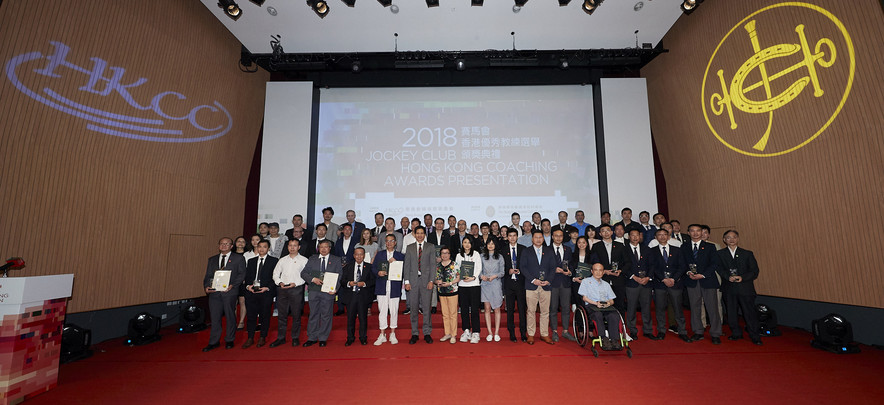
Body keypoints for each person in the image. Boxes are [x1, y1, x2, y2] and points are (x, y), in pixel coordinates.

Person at [716, 230, 762, 345]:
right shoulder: (720, 254)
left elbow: (754, 271)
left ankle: (754, 336)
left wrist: (742, 277)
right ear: (724, 240)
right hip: (729, 287)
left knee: (749, 313)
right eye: (728, 237)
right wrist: (727, 277)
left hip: (745, 288)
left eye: (734, 237)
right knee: (731, 312)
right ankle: (736, 333)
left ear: (738, 239)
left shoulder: (747, 253)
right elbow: (719, 269)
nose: (731, 239)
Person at [202, 237, 246, 352]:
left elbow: (241, 274)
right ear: (219, 245)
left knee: (230, 316)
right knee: (215, 318)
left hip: (229, 292)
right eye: (222, 244)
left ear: (232, 246)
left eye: (227, 244)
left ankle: (229, 339)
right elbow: (208, 276)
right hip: (214, 293)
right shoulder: (212, 259)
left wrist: (233, 285)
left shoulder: (238, 258)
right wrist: (206, 287)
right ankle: (214, 342)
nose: (224, 246)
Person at [682, 224, 722, 344]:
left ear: (702, 232)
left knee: (712, 307)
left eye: (698, 231)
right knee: (695, 307)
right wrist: (689, 272)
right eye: (692, 231)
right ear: (688, 232)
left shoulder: (710, 247)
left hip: (707, 280)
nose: (695, 233)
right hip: (691, 280)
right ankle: (698, 331)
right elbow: (682, 262)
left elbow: (715, 263)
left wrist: (703, 274)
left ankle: (715, 333)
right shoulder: (684, 247)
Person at [648, 229, 691, 342]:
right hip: (659, 284)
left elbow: (682, 266)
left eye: (664, 235)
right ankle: (661, 331)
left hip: (675, 283)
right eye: (659, 235)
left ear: (668, 236)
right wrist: (663, 279)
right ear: (655, 237)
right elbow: (652, 267)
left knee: (678, 308)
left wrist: (673, 278)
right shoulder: (651, 251)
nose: (662, 237)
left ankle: (682, 331)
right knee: (660, 308)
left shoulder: (677, 250)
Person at [300, 240, 341, 347]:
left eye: (326, 247)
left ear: (330, 248)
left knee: (326, 315)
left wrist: (335, 288)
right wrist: (313, 279)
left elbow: (339, 276)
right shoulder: (312, 259)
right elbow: (303, 273)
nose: (323, 249)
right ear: (318, 248)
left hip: (328, 291)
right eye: (321, 247)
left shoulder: (336, 260)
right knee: (313, 314)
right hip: (314, 290)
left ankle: (323, 337)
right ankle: (312, 337)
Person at [520, 230, 557, 345]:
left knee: (545, 311)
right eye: (536, 237)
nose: (538, 239)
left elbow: (553, 268)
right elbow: (523, 267)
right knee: (531, 311)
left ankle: (544, 334)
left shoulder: (549, 251)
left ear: (543, 239)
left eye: (540, 237)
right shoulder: (526, 251)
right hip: (531, 285)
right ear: (532, 239)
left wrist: (548, 280)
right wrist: (533, 280)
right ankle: (531, 334)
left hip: (546, 285)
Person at [270, 239, 308, 347]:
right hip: (282, 289)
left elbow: (306, 276)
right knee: (282, 315)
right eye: (290, 245)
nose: (292, 247)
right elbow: (275, 274)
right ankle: (281, 337)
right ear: (287, 247)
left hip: (296, 289)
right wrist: (279, 282)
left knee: (296, 315)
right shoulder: (282, 260)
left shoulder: (304, 260)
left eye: (295, 245)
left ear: (299, 247)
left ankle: (295, 337)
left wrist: (295, 283)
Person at [579, 263, 623, 351]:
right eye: (596, 270)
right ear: (592, 271)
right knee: (598, 314)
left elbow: (612, 300)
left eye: (600, 270)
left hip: (605, 305)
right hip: (592, 305)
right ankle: (603, 338)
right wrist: (596, 303)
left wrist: (608, 303)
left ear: (603, 272)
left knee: (614, 315)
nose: (598, 272)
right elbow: (584, 298)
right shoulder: (585, 282)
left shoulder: (606, 284)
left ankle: (614, 339)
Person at [242, 240, 278, 348]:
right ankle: (250, 337)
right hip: (252, 293)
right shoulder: (251, 261)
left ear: (268, 249)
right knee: (251, 316)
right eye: (260, 247)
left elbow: (275, 277)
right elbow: (247, 276)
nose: (262, 249)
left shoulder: (274, 261)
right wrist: (248, 286)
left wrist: (267, 288)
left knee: (265, 315)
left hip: (266, 292)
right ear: (257, 248)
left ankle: (262, 337)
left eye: (264, 247)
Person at [403, 226, 436, 344]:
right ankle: (414, 333)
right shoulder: (410, 247)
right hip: (412, 282)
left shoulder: (430, 247)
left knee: (426, 308)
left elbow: (433, 265)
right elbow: (406, 266)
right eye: (418, 233)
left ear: (424, 234)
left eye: (422, 233)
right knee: (413, 308)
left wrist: (432, 281)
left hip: (426, 282)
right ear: (414, 234)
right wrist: (406, 281)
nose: (420, 235)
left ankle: (427, 333)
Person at [590, 224, 631, 313]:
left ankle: (620, 326)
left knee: (620, 304)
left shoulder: (620, 245)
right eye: (603, 231)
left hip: (618, 279)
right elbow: (593, 263)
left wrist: (621, 271)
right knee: (603, 305)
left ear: (612, 232)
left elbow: (627, 262)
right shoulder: (596, 246)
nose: (606, 232)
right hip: (602, 279)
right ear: (600, 234)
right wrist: (603, 271)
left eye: (608, 230)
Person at [372, 234, 405, 345]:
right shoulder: (380, 254)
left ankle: (392, 333)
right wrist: (378, 272)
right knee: (382, 310)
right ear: (385, 243)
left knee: (394, 310)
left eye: (391, 241)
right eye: (387, 241)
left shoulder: (400, 256)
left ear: (395, 242)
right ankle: (382, 334)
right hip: (382, 286)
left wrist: (395, 262)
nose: (389, 243)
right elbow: (373, 268)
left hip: (394, 287)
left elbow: (404, 270)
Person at [340, 247, 374, 346]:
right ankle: (350, 338)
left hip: (363, 296)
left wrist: (364, 283)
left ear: (364, 256)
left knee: (363, 318)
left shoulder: (369, 267)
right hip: (351, 295)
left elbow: (373, 281)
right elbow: (342, 281)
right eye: (357, 254)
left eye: (361, 254)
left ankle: (363, 337)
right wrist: (348, 283)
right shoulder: (347, 266)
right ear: (354, 255)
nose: (359, 256)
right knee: (350, 318)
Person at [624, 229, 654, 339]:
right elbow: (623, 265)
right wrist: (633, 276)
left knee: (646, 307)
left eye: (638, 235)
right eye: (633, 235)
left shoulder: (647, 249)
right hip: (632, 282)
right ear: (629, 237)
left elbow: (652, 265)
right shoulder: (624, 249)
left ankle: (648, 330)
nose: (635, 237)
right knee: (631, 308)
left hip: (646, 282)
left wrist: (648, 277)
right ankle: (632, 330)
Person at [548, 229, 575, 342]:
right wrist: (553, 269)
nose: (558, 238)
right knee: (553, 308)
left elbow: (572, 264)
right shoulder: (547, 250)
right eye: (556, 236)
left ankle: (565, 331)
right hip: (553, 283)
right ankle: (554, 331)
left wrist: (570, 272)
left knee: (566, 308)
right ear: (552, 237)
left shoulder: (567, 249)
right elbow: (544, 265)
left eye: (560, 236)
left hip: (565, 282)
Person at [456, 236, 483, 344]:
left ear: (472, 244)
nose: (467, 244)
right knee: (464, 310)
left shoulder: (476, 254)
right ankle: (466, 330)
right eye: (465, 242)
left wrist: (473, 277)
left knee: (475, 310)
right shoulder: (458, 255)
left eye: (469, 242)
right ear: (462, 244)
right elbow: (457, 268)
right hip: (462, 285)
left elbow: (478, 267)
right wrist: (461, 276)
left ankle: (476, 332)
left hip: (474, 285)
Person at [502, 229, 527, 342]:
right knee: (510, 310)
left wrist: (520, 270)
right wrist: (508, 271)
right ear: (507, 237)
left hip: (521, 283)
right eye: (510, 236)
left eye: (514, 236)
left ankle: (523, 333)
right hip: (509, 283)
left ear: (517, 237)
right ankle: (511, 332)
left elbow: (527, 265)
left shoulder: (523, 249)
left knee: (522, 309)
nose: (512, 238)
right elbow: (501, 266)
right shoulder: (502, 250)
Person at [480, 238, 504, 342]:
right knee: (487, 308)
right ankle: (490, 332)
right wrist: (482, 276)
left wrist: (495, 276)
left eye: (492, 243)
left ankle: (497, 332)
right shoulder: (481, 256)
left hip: (496, 284)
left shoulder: (500, 257)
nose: (490, 245)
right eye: (489, 244)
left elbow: (502, 272)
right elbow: (479, 270)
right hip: (485, 285)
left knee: (497, 308)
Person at [435, 247, 460, 343]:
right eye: (442, 253)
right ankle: (447, 333)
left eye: (446, 253)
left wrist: (449, 283)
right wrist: (437, 282)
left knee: (453, 314)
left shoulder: (454, 264)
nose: (444, 255)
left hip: (452, 291)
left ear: (449, 254)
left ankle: (453, 334)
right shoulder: (438, 266)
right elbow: (435, 278)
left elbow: (458, 277)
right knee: (445, 314)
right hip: (442, 292)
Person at [569, 236, 593, 319]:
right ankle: (580, 328)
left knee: (589, 306)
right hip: (576, 283)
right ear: (577, 244)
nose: (581, 244)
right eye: (579, 242)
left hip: (589, 284)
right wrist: (574, 278)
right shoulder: (572, 255)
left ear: (587, 244)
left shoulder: (592, 255)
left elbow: (595, 269)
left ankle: (590, 328)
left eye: (583, 242)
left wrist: (587, 279)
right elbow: (570, 270)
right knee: (579, 306)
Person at [233, 236, 250, 330]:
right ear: (235, 243)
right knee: (233, 302)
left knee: (242, 301)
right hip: (232, 281)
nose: (240, 243)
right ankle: (233, 321)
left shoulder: (248, 254)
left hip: (243, 281)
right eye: (238, 241)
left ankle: (241, 321)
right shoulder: (231, 254)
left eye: (243, 242)